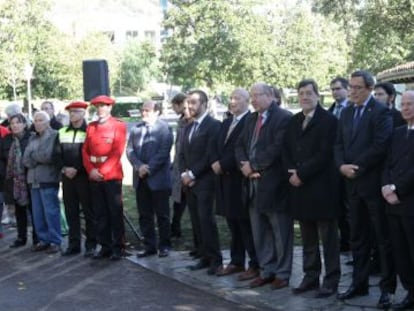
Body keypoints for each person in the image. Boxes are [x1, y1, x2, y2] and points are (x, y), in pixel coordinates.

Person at [335, 70, 396, 309]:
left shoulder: (381, 112)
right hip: (351, 186)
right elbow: (338, 143)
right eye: (350, 87)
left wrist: (356, 168)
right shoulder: (347, 112)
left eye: (357, 88)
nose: (352, 91)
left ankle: (387, 289)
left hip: (372, 184)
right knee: (357, 237)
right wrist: (341, 166)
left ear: (369, 89)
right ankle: (358, 283)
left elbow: (380, 146)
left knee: (382, 238)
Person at [283, 79, 340, 298]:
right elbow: (285, 149)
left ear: (318, 96)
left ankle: (331, 279)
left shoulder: (329, 121)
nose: (305, 97)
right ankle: (310, 276)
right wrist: (292, 173)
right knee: (307, 237)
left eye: (309, 93)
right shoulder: (294, 120)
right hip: (299, 188)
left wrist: (302, 174)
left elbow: (325, 154)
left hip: (321, 187)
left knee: (328, 238)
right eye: (301, 93)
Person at [235, 82, 293, 290]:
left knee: (280, 231)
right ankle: (267, 270)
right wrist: (244, 165)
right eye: (251, 96)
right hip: (251, 183)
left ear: (270, 96)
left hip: (274, 184)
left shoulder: (284, 118)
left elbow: (277, 148)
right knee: (260, 231)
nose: (253, 100)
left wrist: (255, 165)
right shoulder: (252, 118)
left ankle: (283, 273)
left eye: (257, 95)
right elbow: (240, 144)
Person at [211, 88, 259, 279]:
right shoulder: (227, 122)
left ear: (247, 101)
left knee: (245, 224)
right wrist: (215, 161)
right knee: (232, 223)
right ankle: (236, 261)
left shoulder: (250, 121)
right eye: (231, 98)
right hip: (224, 181)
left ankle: (254, 263)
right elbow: (216, 145)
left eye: (237, 98)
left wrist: (223, 164)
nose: (233, 101)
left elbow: (242, 149)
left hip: (239, 179)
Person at [179, 90, 223, 275]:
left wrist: (193, 173)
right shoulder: (188, 127)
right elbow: (182, 154)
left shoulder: (214, 125)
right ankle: (204, 256)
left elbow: (210, 155)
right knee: (196, 221)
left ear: (204, 104)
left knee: (206, 221)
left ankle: (215, 260)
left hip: (205, 181)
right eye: (188, 102)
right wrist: (184, 174)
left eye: (194, 102)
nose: (189, 106)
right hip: (189, 183)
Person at [82, 95, 127, 261]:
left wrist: (102, 172)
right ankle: (105, 246)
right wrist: (91, 170)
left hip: (111, 175)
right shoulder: (91, 127)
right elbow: (85, 151)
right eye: (98, 106)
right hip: (94, 175)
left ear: (110, 108)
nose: (100, 109)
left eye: (103, 106)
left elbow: (117, 152)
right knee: (100, 213)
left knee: (114, 212)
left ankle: (118, 247)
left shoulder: (118, 126)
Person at [127, 100, 173, 258]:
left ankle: (165, 245)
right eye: (142, 110)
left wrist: (149, 168)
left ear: (157, 112)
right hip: (141, 179)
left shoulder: (165, 129)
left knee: (162, 215)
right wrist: (139, 166)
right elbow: (130, 150)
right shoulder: (135, 129)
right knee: (144, 215)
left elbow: (163, 152)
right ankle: (149, 245)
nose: (143, 113)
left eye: (147, 110)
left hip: (158, 179)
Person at [381, 90, 414, 310]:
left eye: (410, 104)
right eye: (403, 104)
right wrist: (385, 186)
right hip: (392, 203)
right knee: (400, 251)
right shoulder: (397, 132)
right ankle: (410, 291)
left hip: (410, 202)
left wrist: (397, 188)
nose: (405, 108)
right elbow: (387, 163)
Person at [59, 101, 96, 257]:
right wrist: (65, 168)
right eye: (70, 112)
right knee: (70, 212)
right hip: (67, 177)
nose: (72, 114)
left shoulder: (89, 131)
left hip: (83, 177)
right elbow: (57, 153)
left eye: (76, 111)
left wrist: (77, 169)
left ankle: (91, 245)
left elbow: (89, 154)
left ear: (83, 113)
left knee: (89, 212)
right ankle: (74, 245)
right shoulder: (62, 132)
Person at [23, 111, 62, 254]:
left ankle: (56, 241)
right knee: (38, 214)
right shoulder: (32, 138)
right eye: (35, 120)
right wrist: (35, 157)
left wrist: (33, 156)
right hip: (33, 180)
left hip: (48, 179)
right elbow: (25, 159)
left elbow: (49, 156)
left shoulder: (54, 135)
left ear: (47, 122)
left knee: (51, 212)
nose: (37, 123)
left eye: (40, 120)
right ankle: (44, 240)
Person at [2, 114, 37, 248]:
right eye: (12, 123)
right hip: (14, 181)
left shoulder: (31, 138)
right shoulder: (6, 140)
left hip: (29, 178)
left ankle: (37, 238)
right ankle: (21, 237)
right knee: (19, 211)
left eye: (18, 122)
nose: (15, 125)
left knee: (34, 211)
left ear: (24, 124)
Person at [328, 76, 351, 253]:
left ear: (346, 89)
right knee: (338, 206)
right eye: (333, 89)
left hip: (349, 165)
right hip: (333, 167)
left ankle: (351, 242)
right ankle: (344, 242)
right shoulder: (330, 111)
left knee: (350, 207)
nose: (335, 92)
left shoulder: (351, 109)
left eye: (338, 88)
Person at [170, 93, 192, 240]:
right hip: (179, 165)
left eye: (173, 106)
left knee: (185, 199)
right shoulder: (181, 121)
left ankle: (175, 227)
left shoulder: (189, 121)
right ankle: (175, 227)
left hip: (188, 168)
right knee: (179, 199)